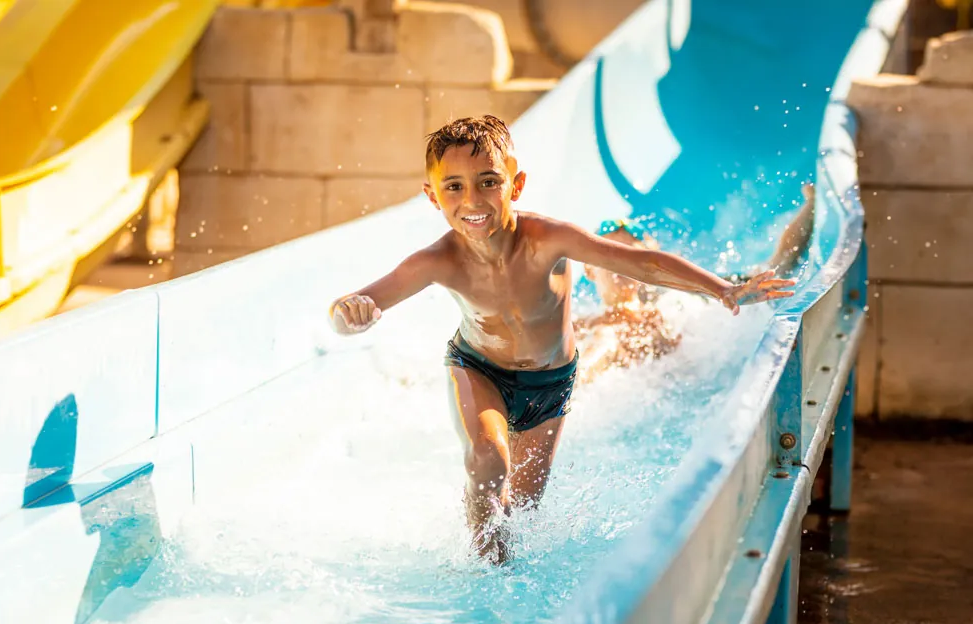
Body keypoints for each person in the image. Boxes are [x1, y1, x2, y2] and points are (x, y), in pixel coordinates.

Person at [328, 115, 795, 564]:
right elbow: (354, 305)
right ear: (433, 197)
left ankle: (503, 560)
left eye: (488, 181)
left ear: (516, 184)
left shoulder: (547, 238)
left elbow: (638, 264)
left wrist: (722, 289)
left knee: (524, 512)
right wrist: (350, 314)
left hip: (551, 381)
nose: (472, 199)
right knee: (487, 462)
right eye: (454, 186)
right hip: (477, 368)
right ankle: (482, 571)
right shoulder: (436, 260)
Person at [577, 183, 815, 384]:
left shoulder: (664, 307)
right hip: (673, 372)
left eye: (631, 258)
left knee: (771, 270)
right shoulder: (591, 324)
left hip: (707, 311)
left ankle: (811, 206)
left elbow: (599, 350)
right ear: (589, 269)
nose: (621, 267)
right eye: (610, 257)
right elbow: (594, 351)